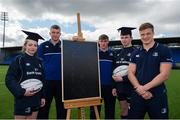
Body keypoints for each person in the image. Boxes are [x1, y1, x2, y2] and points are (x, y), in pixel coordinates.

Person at [128, 22, 173, 119]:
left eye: (148, 33)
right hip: (137, 95)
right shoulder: (135, 52)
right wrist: (139, 89)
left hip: (157, 95)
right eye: (142, 34)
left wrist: (143, 89)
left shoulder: (164, 50)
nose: (145, 36)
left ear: (153, 33)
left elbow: (164, 74)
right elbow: (130, 73)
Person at [5, 30, 45, 119]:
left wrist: (42, 97)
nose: (33, 47)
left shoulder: (39, 61)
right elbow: (9, 79)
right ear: (25, 46)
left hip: (36, 99)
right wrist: (22, 92)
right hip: (22, 100)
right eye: (30, 45)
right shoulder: (19, 60)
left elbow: (42, 80)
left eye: (35, 45)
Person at [37, 25, 67, 119]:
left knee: (62, 109)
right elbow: (38, 63)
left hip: (61, 82)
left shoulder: (65, 46)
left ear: (60, 34)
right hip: (46, 82)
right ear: (50, 33)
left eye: (57, 33)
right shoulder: (42, 46)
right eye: (53, 32)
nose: (55, 34)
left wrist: (75, 40)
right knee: (43, 108)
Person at [112, 27, 136, 119]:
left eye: (126, 37)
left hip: (132, 87)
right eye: (122, 37)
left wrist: (123, 78)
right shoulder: (117, 53)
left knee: (133, 110)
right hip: (120, 87)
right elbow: (114, 70)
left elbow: (138, 72)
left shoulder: (136, 52)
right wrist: (114, 86)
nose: (124, 39)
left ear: (131, 38)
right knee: (123, 109)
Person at [90, 34, 116, 119]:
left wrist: (114, 86)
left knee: (110, 111)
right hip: (96, 87)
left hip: (110, 87)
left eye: (105, 41)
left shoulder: (113, 54)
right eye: (101, 41)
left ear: (108, 42)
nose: (103, 43)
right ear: (98, 42)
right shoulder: (94, 54)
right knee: (94, 111)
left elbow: (116, 71)